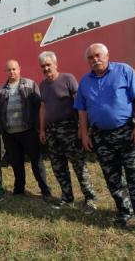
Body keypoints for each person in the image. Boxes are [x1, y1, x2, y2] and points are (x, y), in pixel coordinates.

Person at [74, 43, 135, 243]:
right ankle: (124, 212)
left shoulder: (124, 71)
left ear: (106, 55)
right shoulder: (85, 82)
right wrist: (84, 134)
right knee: (112, 179)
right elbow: (82, 110)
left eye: (98, 55)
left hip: (127, 134)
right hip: (101, 138)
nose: (95, 59)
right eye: (90, 57)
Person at [38, 51, 97, 213]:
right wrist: (42, 129)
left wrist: (81, 127)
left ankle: (90, 198)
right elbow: (43, 108)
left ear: (56, 64)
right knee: (58, 166)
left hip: (69, 129)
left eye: (48, 65)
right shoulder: (42, 85)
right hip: (52, 132)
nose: (46, 68)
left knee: (79, 165)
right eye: (43, 66)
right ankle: (67, 196)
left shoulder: (67, 79)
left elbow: (80, 103)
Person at [0, 60, 51, 200]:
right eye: (9, 70)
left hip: (28, 131)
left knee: (36, 162)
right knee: (16, 163)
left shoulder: (30, 84)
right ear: (6, 72)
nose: (12, 72)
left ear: (19, 69)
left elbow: (39, 107)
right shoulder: (1, 90)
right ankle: (19, 189)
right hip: (10, 134)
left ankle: (45, 190)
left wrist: (40, 129)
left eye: (14, 69)